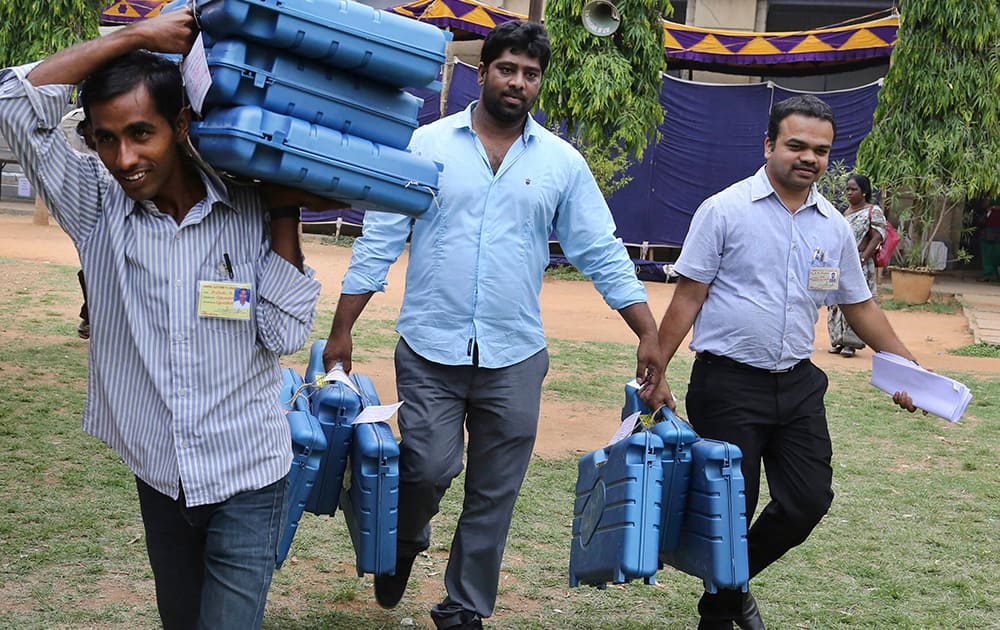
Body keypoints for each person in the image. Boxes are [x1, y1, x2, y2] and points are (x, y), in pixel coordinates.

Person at [322, 20, 662, 630]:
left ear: (540, 83)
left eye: (531, 74)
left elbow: (601, 251)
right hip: (431, 345)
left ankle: (464, 607)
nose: (518, 82)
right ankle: (404, 540)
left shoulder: (561, 163)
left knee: (494, 491)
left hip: (515, 353)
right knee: (428, 466)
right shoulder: (426, 146)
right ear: (483, 73)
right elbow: (381, 238)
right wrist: (343, 327)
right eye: (507, 69)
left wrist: (648, 332)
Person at [0, 9, 325, 629]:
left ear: (180, 125)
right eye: (106, 138)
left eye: (141, 134)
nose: (125, 158)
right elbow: (12, 100)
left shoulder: (247, 205)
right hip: (161, 477)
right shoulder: (95, 205)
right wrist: (136, 37)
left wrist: (284, 211)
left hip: (249, 477)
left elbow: (283, 335)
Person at [649, 95, 919, 630]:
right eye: (796, 145)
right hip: (727, 383)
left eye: (820, 150)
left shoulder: (833, 227)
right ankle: (723, 611)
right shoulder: (724, 210)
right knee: (731, 510)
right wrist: (655, 373)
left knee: (807, 502)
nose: (809, 158)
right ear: (769, 144)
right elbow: (687, 298)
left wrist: (909, 368)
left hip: (797, 385)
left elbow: (858, 304)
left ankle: (725, 595)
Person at [827, 173, 886, 357]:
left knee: (855, 301)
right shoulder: (845, 212)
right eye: (848, 189)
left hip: (860, 265)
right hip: (841, 264)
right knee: (837, 302)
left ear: (864, 192)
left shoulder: (873, 210)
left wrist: (862, 258)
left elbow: (878, 236)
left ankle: (850, 344)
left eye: (854, 189)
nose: (849, 193)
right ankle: (838, 340)